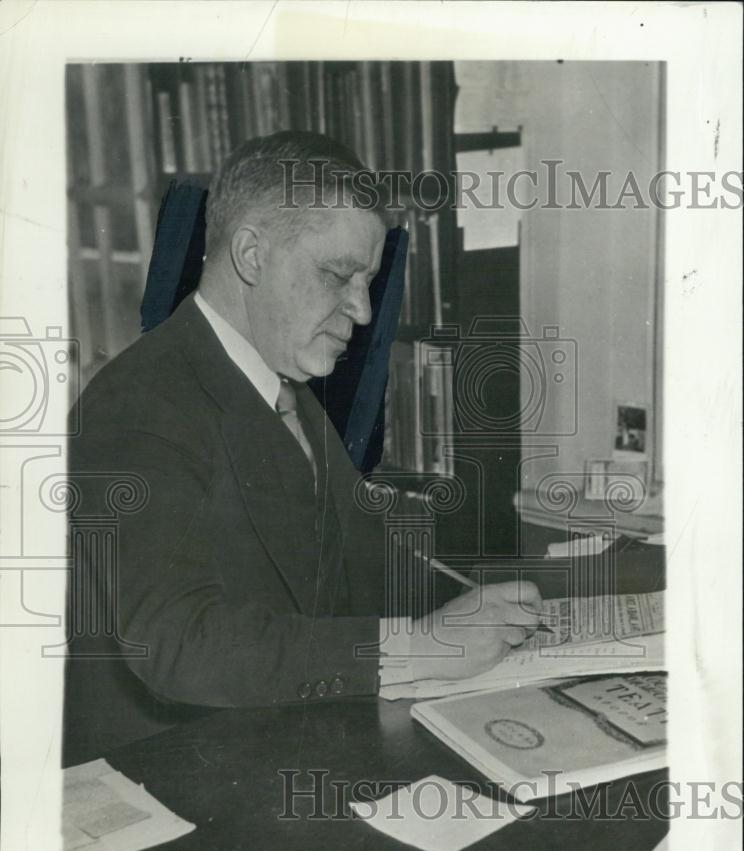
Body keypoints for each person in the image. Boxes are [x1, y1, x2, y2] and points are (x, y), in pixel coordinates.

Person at [63, 131, 541, 765]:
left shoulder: (281, 386)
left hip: (274, 747)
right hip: (170, 786)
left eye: (367, 281)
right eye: (338, 275)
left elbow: (364, 556)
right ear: (252, 255)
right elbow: (177, 643)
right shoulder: (138, 403)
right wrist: (423, 646)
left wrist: (491, 610)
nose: (363, 311)